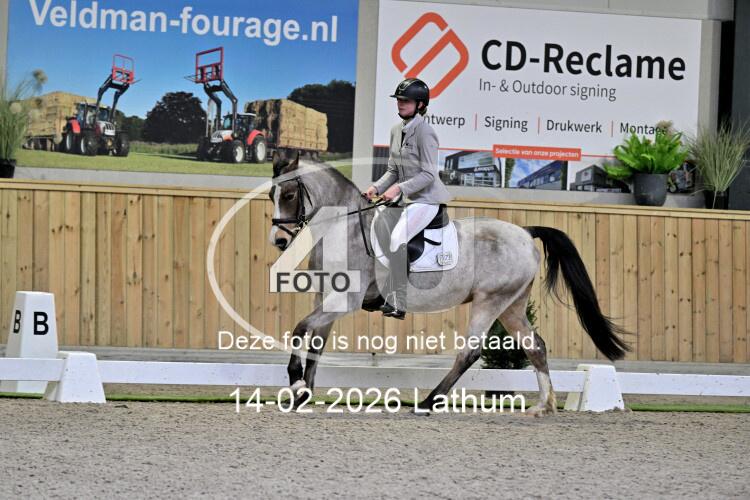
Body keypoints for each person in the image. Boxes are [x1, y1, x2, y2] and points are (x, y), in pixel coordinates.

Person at [362, 78, 453, 319]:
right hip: (406, 199)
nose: (401, 104)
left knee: (398, 237)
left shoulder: (426, 132)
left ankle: (398, 302)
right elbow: (393, 170)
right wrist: (375, 187)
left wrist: (398, 189)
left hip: (426, 200)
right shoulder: (395, 130)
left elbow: (429, 174)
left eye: (406, 101)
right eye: (399, 100)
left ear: (420, 105)